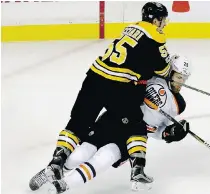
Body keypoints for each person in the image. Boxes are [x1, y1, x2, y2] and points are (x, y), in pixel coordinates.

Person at [29, 1, 171, 191]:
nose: (163, 23)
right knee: (136, 124)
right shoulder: (156, 35)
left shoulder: (130, 28)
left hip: (95, 77)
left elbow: (134, 56)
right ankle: (137, 170)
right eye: (162, 20)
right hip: (118, 86)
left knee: (78, 122)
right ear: (156, 20)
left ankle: (56, 162)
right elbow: (163, 69)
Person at [48, 55, 192, 193]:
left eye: (184, 79)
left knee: (104, 159)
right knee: (80, 155)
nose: (181, 83)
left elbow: (155, 130)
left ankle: (64, 186)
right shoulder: (151, 74)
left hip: (133, 136)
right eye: (179, 77)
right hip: (114, 119)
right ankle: (51, 172)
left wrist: (170, 133)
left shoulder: (178, 104)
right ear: (169, 72)